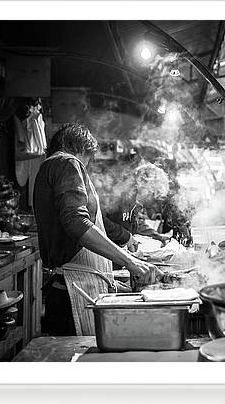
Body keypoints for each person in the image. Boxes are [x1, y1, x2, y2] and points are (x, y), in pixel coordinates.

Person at [33, 124, 162, 335]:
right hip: (72, 292)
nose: (87, 165)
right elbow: (76, 222)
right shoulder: (67, 162)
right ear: (80, 147)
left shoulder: (50, 166)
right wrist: (130, 261)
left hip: (71, 288)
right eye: (88, 158)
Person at [105, 162, 172, 246]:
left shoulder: (136, 203)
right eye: (153, 194)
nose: (154, 201)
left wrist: (157, 236)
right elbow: (101, 220)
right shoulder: (119, 195)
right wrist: (125, 237)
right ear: (146, 187)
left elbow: (136, 224)